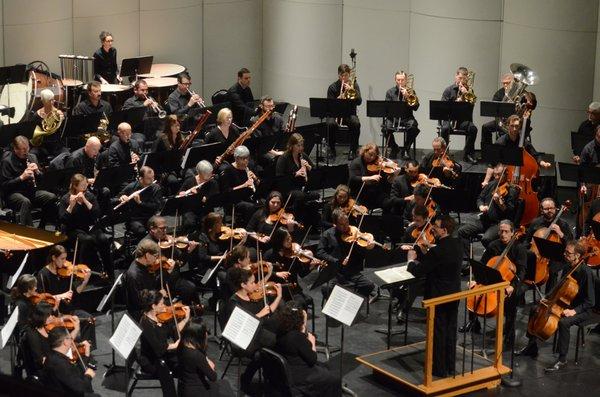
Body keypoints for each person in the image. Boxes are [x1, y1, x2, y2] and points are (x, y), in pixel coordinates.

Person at [517, 241, 595, 372]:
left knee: (564, 323)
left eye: (568, 253)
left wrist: (574, 311)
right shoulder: (567, 267)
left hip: (582, 309)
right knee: (535, 309)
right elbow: (559, 289)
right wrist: (547, 298)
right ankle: (531, 346)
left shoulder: (585, 273)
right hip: (565, 303)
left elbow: (590, 302)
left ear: (577, 255)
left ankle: (562, 359)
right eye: (565, 252)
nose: (564, 255)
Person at [406, 214, 462, 377]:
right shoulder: (457, 244)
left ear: (444, 230)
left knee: (438, 331)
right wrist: (428, 247)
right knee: (450, 330)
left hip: (438, 296)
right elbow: (442, 257)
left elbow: (418, 271)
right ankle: (450, 366)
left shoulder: (438, 251)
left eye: (435, 227)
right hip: (453, 293)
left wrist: (410, 261)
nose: (432, 229)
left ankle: (439, 369)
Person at [460, 220, 527, 347]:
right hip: (491, 280)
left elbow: (522, 272)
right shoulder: (493, 245)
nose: (503, 234)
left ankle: (509, 334)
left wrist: (512, 286)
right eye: (501, 231)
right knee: (473, 290)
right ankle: (473, 322)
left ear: (513, 233)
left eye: (506, 231)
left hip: (511, 282)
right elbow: (483, 265)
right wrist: (475, 279)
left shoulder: (519, 249)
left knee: (512, 299)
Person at [225, 266, 282, 392]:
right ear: (243, 285)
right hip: (244, 337)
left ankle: (272, 377)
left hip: (259, 332)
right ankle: (269, 378)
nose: (256, 285)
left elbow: (268, 311)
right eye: (252, 282)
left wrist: (278, 297)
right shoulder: (234, 303)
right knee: (271, 347)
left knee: (279, 338)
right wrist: (260, 314)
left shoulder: (254, 296)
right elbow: (242, 326)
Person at [274, 302, 342, 396]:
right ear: (299, 320)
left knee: (326, 368)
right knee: (335, 379)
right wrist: (312, 341)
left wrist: (303, 324)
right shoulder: (297, 337)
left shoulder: (281, 330)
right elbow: (313, 359)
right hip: (300, 377)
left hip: (287, 370)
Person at [36, 245, 96, 348]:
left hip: (69, 310)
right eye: (62, 259)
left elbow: (76, 292)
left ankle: (85, 351)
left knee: (89, 319)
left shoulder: (66, 272)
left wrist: (86, 280)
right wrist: (61, 296)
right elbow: (43, 300)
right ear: (54, 258)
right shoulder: (43, 274)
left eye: (65, 258)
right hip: (54, 314)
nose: (65, 262)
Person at [58, 173, 113, 279]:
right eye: (83, 185)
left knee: (103, 239)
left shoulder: (89, 196)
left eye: (86, 184)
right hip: (73, 230)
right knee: (87, 240)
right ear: (75, 186)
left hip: (89, 227)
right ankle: (82, 272)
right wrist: (71, 206)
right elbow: (63, 220)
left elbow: (97, 214)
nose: (85, 187)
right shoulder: (66, 198)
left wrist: (85, 201)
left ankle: (109, 271)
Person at [457, 163, 519, 256]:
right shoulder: (491, 184)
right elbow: (480, 198)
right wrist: (481, 206)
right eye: (495, 174)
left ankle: (493, 258)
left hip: (498, 223)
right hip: (485, 220)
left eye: (499, 174)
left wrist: (500, 203)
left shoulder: (511, 190)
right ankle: (469, 261)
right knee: (462, 231)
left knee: (486, 239)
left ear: (505, 174)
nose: (496, 177)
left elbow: (509, 212)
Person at [317, 209, 376, 298]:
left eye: (347, 222)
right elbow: (320, 252)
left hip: (351, 271)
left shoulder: (354, 233)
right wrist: (335, 260)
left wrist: (367, 246)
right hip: (335, 272)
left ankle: (353, 301)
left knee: (369, 285)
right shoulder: (327, 234)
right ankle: (336, 307)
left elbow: (361, 254)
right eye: (342, 224)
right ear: (335, 224)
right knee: (326, 288)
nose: (346, 226)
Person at [0, 135, 57, 227]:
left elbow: (42, 180)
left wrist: (37, 172)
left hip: (30, 191)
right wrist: (22, 177)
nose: (26, 151)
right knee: (25, 201)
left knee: (51, 197)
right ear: (15, 149)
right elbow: (4, 186)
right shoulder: (7, 162)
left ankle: (42, 226)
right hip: (13, 193)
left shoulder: (33, 157)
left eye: (27, 148)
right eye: (23, 149)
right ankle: (29, 229)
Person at [141, 215, 198, 305]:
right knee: (165, 303)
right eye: (162, 228)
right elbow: (150, 273)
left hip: (173, 279)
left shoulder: (167, 241)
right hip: (158, 283)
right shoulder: (147, 245)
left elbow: (180, 262)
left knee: (191, 288)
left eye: (166, 228)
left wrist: (188, 252)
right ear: (152, 229)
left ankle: (186, 310)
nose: (165, 231)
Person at [525, 197, 573, 292]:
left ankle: (549, 296)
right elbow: (526, 241)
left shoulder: (563, 224)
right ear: (542, 210)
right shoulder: (535, 223)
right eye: (546, 209)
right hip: (538, 254)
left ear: (556, 209)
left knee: (552, 270)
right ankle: (521, 297)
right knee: (523, 263)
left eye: (552, 208)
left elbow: (571, 244)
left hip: (557, 256)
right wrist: (530, 245)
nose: (549, 210)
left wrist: (560, 233)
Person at [138, 289, 190, 375]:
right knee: (186, 363)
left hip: (162, 353)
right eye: (161, 304)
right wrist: (176, 345)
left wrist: (185, 319)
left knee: (187, 357)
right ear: (154, 306)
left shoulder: (158, 317)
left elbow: (173, 330)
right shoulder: (145, 324)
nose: (164, 306)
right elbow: (158, 348)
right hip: (153, 361)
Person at [177, 319, 233, 397]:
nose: (206, 334)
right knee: (226, 388)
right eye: (205, 332)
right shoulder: (196, 355)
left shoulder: (181, 346)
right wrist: (211, 365)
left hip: (184, 387)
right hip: (196, 391)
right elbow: (213, 377)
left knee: (224, 384)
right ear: (198, 335)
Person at [42, 326, 96, 395]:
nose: (72, 341)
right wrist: (88, 376)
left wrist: (86, 354)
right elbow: (80, 387)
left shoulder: (51, 355)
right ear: (65, 342)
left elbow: (75, 373)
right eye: (70, 338)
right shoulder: (61, 364)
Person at [440, 67, 478, 164]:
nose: (461, 80)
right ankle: (445, 154)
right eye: (459, 78)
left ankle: (467, 153)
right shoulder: (448, 90)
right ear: (456, 76)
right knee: (444, 129)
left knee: (473, 129)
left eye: (464, 79)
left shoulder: (469, 91)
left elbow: (472, 105)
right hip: (449, 120)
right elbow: (442, 107)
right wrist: (456, 103)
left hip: (463, 121)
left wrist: (466, 93)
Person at [116, 165, 163, 241]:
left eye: (153, 177)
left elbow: (156, 206)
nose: (152, 180)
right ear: (141, 179)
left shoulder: (156, 188)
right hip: (135, 218)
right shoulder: (131, 187)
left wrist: (140, 202)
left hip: (150, 216)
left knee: (161, 226)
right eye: (149, 178)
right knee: (141, 231)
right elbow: (117, 197)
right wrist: (122, 197)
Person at [326, 64, 362, 160]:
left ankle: (353, 150)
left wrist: (352, 91)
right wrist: (338, 99)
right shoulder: (332, 87)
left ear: (349, 75)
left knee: (356, 123)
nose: (344, 78)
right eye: (342, 75)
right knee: (330, 124)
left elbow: (359, 102)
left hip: (349, 114)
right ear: (338, 75)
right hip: (335, 114)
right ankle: (331, 148)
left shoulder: (354, 85)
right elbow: (329, 106)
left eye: (346, 75)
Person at [218, 145, 260, 226]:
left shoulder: (250, 166)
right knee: (251, 207)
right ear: (236, 158)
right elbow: (226, 192)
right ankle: (247, 228)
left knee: (263, 203)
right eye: (243, 158)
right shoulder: (228, 170)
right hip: (235, 200)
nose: (246, 161)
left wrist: (255, 178)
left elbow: (259, 184)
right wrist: (244, 185)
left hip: (248, 196)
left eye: (247, 158)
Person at [383, 71, 420, 159]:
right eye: (398, 80)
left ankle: (406, 149)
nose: (400, 82)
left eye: (402, 80)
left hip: (407, 117)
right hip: (393, 118)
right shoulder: (390, 92)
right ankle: (394, 147)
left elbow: (416, 107)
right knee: (385, 129)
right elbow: (386, 108)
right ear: (395, 80)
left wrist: (407, 96)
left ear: (406, 80)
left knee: (413, 127)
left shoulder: (411, 91)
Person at [348, 143, 395, 210]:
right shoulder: (356, 162)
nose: (372, 157)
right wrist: (370, 178)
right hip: (359, 193)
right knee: (360, 210)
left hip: (374, 193)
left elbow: (384, 181)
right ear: (364, 151)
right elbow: (353, 178)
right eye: (370, 154)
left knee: (389, 204)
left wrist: (391, 172)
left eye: (374, 156)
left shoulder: (377, 163)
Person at [177, 160, 220, 233]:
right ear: (200, 173)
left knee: (209, 222)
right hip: (191, 209)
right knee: (189, 222)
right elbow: (180, 193)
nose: (211, 175)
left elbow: (213, 200)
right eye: (208, 174)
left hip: (206, 209)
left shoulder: (213, 182)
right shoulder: (190, 181)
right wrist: (183, 193)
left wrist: (198, 195)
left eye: (211, 173)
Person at [125, 239, 160, 320]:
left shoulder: (145, 266)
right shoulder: (134, 275)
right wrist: (157, 295)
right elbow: (138, 302)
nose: (157, 259)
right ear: (147, 255)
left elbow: (151, 283)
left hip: (148, 302)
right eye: (155, 256)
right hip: (140, 312)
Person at [121, 79, 161, 145]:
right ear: (135, 90)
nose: (145, 92)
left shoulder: (150, 98)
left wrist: (157, 106)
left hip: (151, 130)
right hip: (137, 131)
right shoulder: (129, 102)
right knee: (139, 140)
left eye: (146, 90)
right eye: (142, 90)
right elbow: (129, 117)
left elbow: (161, 113)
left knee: (163, 137)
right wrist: (143, 105)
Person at [152, 115, 184, 195]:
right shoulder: (162, 138)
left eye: (178, 125)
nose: (177, 127)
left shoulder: (180, 136)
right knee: (173, 181)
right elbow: (153, 156)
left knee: (190, 175)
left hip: (177, 166)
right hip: (165, 170)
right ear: (168, 126)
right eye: (174, 125)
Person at [480, 73, 514, 149]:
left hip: (515, 122)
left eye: (508, 83)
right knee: (485, 127)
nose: (505, 85)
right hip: (502, 121)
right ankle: (487, 152)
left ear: (513, 82)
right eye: (504, 83)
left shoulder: (520, 92)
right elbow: (494, 110)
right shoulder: (499, 93)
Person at [250, 95, 286, 166]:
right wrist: (276, 153)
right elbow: (260, 145)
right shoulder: (255, 122)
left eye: (272, 106)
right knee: (276, 159)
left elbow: (283, 135)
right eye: (268, 106)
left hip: (277, 148)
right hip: (263, 152)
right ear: (261, 106)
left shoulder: (279, 118)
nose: (271, 108)